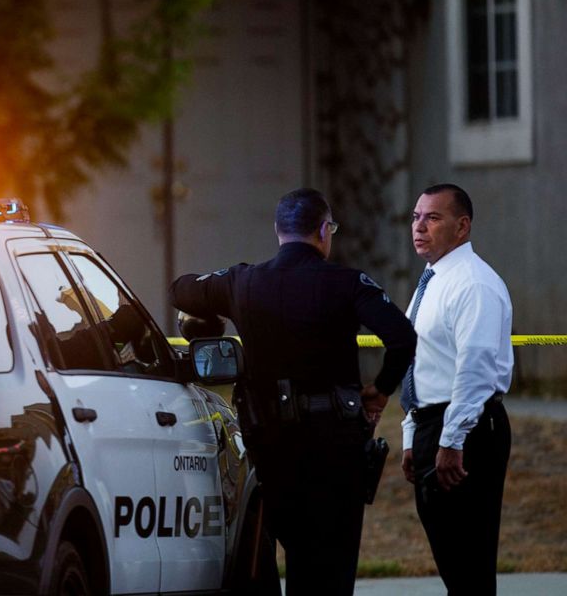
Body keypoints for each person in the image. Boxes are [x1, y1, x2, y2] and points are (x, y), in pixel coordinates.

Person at [171, 188, 416, 596]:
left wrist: (212, 315)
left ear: (277, 231)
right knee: (327, 571)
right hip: (334, 451)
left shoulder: (242, 281)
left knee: (259, 563)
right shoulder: (347, 282)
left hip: (268, 449)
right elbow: (402, 338)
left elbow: (181, 289)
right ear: (324, 231)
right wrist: (380, 391)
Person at [400, 183, 513, 596]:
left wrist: (452, 440)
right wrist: (413, 434)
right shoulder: (432, 279)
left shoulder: (473, 283)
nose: (419, 227)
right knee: (453, 565)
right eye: (416, 217)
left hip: (468, 430)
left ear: (462, 226)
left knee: (469, 567)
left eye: (433, 218)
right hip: (436, 425)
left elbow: (475, 370)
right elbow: (422, 361)